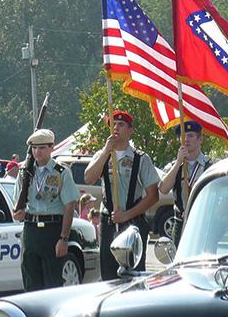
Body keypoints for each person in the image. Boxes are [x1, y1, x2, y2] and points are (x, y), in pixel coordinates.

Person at [84, 110, 161, 279]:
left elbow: (153, 195)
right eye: (113, 125)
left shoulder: (140, 158)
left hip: (133, 221)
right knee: (108, 274)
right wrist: (106, 151)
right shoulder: (102, 155)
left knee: (133, 273)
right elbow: (88, 178)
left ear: (130, 130)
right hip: (108, 220)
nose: (116, 128)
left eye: (121, 125)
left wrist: (127, 215)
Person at [12, 129, 79, 291]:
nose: (37, 152)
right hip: (30, 229)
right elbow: (15, 209)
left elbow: (69, 206)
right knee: (31, 282)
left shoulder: (61, 172)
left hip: (52, 230)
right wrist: (18, 213)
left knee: (52, 282)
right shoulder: (24, 172)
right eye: (34, 148)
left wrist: (63, 238)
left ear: (51, 148)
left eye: (42, 148)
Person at [158, 120, 211, 243]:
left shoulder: (209, 166)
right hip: (180, 222)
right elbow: (163, 189)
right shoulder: (173, 166)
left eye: (191, 135)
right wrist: (178, 163)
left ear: (200, 139)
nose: (186, 139)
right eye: (183, 136)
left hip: (202, 222)